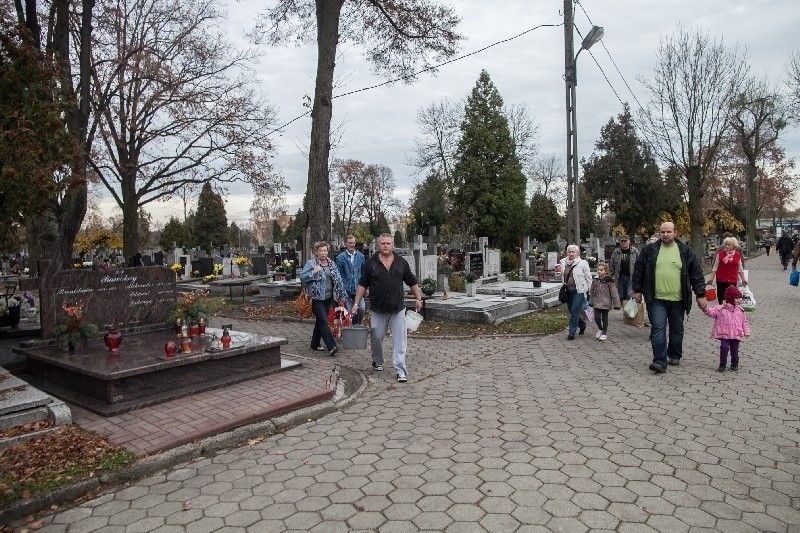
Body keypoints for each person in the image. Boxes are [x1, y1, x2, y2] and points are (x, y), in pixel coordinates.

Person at [631, 222, 708, 374]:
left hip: (678, 299)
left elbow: (696, 274)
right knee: (658, 328)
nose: (665, 234)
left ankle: (674, 354)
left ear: (675, 232)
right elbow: (639, 269)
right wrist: (637, 290)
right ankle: (659, 361)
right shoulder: (650, 250)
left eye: (668, 232)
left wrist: (700, 295)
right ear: (659, 233)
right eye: (662, 232)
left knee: (677, 329)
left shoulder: (685, 251)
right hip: (656, 298)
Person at [351, 233, 423, 383]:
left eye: (388, 244)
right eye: (383, 243)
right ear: (378, 245)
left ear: (393, 245)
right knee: (376, 337)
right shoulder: (370, 263)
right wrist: (356, 304)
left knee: (400, 341)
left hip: (398, 309)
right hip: (378, 309)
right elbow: (363, 284)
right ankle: (377, 360)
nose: (385, 246)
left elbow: (412, 281)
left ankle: (400, 370)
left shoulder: (401, 262)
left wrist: (418, 298)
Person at [300, 241, 346, 357]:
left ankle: (314, 344)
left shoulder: (331, 264)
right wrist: (313, 272)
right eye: (321, 251)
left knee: (320, 321)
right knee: (324, 322)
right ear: (316, 252)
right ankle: (332, 346)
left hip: (329, 297)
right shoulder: (311, 263)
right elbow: (302, 277)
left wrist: (341, 294)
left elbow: (338, 279)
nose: (323, 253)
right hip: (316, 298)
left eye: (325, 250)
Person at [702, 285, 750, 372]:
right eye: (737, 298)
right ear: (730, 298)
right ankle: (722, 364)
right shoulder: (721, 309)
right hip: (724, 334)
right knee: (724, 348)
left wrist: (746, 331)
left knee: (734, 350)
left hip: (736, 334)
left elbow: (744, 322)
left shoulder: (740, 310)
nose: (739, 300)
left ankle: (734, 363)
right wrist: (705, 308)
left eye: (740, 298)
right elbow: (712, 312)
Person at [559, 244, 593, 340]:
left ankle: (571, 333)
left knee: (575, 310)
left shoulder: (583, 263)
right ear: (567, 253)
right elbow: (561, 275)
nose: (571, 253)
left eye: (573, 252)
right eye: (569, 252)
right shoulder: (563, 263)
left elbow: (588, 278)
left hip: (579, 291)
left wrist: (590, 292)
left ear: (577, 253)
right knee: (571, 311)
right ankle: (582, 325)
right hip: (568, 291)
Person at [335, 234, 366, 324]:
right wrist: (339, 292)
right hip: (346, 290)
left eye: (353, 243)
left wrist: (366, 287)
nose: (352, 245)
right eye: (349, 243)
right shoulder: (340, 258)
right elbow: (338, 276)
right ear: (345, 244)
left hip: (358, 289)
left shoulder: (361, 257)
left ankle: (357, 326)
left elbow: (364, 272)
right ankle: (348, 330)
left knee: (361, 309)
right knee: (348, 311)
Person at [708, 236, 748, 305]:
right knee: (721, 298)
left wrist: (743, 279)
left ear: (734, 246)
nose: (727, 246)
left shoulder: (737, 255)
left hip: (732, 280)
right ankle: (721, 312)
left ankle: (730, 313)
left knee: (731, 298)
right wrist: (711, 278)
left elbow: (740, 269)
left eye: (729, 244)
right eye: (726, 244)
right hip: (721, 280)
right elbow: (715, 268)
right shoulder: (720, 255)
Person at [588, 262, 620, 341]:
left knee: (604, 318)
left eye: (601, 270)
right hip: (597, 302)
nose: (599, 271)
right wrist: (591, 301)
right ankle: (600, 328)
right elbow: (591, 291)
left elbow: (614, 293)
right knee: (597, 317)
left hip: (606, 302)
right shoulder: (595, 280)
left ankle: (604, 333)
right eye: (598, 270)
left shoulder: (609, 281)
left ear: (605, 271)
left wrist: (616, 304)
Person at [609, 235, 638, 302]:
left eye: (625, 241)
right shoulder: (615, 252)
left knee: (629, 295)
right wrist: (610, 277)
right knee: (620, 295)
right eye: (622, 241)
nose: (623, 242)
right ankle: (624, 310)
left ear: (629, 241)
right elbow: (612, 265)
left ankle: (630, 311)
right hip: (620, 277)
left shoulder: (634, 251)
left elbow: (639, 264)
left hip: (631, 277)